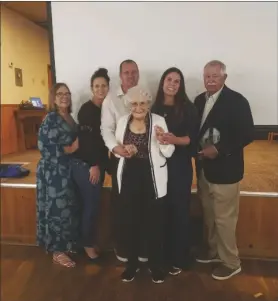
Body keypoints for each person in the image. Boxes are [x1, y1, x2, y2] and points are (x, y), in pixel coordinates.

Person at [194, 60, 254, 280]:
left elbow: (247, 134)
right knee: (209, 215)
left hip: (226, 171)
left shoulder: (237, 101)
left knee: (225, 219)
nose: (210, 80)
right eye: (207, 76)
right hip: (204, 170)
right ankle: (212, 252)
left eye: (215, 76)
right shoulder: (199, 100)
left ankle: (231, 262)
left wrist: (219, 149)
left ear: (224, 78)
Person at [115, 85, 175, 283]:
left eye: (142, 103)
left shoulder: (159, 121)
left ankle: (155, 266)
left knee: (154, 224)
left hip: (152, 178)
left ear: (148, 104)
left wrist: (163, 140)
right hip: (129, 177)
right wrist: (125, 149)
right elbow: (118, 148)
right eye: (134, 103)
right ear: (129, 105)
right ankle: (131, 265)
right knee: (131, 223)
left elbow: (169, 152)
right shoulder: (123, 121)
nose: (138, 107)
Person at [152, 67, 200, 276]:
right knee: (161, 211)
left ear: (181, 86)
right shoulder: (152, 108)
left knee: (179, 211)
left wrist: (173, 140)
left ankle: (179, 257)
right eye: (169, 79)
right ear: (162, 82)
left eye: (177, 81)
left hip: (180, 166)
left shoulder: (188, 108)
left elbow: (192, 139)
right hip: (158, 167)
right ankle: (162, 256)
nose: (172, 83)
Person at [101, 59, 145, 262]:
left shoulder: (145, 94)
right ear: (120, 76)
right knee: (122, 204)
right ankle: (123, 246)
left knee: (141, 202)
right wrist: (116, 148)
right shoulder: (111, 100)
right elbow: (106, 129)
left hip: (143, 159)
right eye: (127, 72)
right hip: (120, 159)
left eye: (134, 72)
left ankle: (141, 246)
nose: (131, 76)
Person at [36, 83, 79, 268]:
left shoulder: (69, 116)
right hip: (53, 172)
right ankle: (57, 251)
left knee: (67, 209)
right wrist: (68, 149)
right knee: (56, 210)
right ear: (53, 98)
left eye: (67, 93)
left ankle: (65, 245)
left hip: (66, 169)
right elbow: (43, 146)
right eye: (60, 94)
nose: (64, 97)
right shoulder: (51, 118)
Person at [72, 68, 110, 261]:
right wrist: (94, 165)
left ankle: (86, 241)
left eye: (104, 85)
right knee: (91, 205)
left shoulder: (106, 108)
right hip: (85, 164)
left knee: (91, 204)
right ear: (91, 88)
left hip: (97, 163)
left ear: (108, 87)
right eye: (97, 86)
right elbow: (87, 141)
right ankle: (87, 245)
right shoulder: (87, 110)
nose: (100, 89)